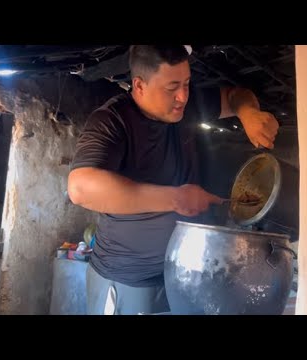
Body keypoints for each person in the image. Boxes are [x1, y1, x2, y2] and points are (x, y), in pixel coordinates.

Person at [68, 45, 279, 315]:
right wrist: (177, 198)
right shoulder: (112, 121)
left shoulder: (186, 107)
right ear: (139, 86)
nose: (182, 96)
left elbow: (237, 95)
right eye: (172, 88)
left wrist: (248, 114)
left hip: (181, 276)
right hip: (128, 282)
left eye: (187, 84)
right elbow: (80, 188)